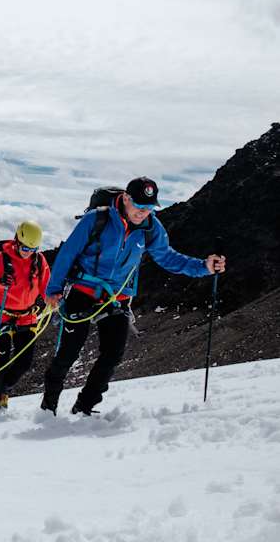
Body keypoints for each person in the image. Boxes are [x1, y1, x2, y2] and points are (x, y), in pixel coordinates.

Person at [41, 177, 227, 416]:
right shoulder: (96, 219)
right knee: (68, 353)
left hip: (117, 298)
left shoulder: (151, 229)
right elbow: (68, 254)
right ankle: (48, 407)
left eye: (149, 208)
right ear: (126, 198)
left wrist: (205, 266)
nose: (144, 213)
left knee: (113, 353)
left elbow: (169, 258)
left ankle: (84, 406)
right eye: (139, 206)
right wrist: (53, 290)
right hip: (83, 291)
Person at [0, 221, 51, 415]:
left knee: (25, 362)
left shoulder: (39, 261)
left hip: (27, 316)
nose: (28, 252)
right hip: (2, 315)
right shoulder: (1, 259)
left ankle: (4, 388)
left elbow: (46, 288)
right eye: (25, 247)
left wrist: (54, 299)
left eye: (33, 248)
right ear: (17, 239)